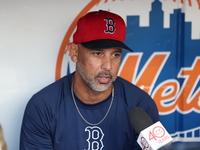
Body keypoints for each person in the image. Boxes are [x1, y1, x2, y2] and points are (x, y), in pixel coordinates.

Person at [20, 10, 159, 150]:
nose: (108, 66)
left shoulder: (142, 105)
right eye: (98, 53)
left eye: (115, 55)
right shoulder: (42, 106)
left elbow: (157, 147)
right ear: (74, 52)